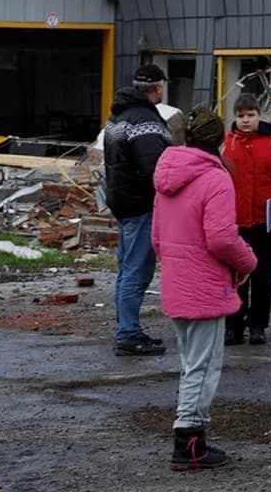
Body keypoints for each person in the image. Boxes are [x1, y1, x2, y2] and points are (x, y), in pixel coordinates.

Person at [151, 107, 258, 470]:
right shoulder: (216, 179)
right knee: (203, 366)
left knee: (189, 363)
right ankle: (190, 442)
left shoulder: (166, 176)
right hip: (206, 285)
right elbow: (222, 238)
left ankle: (189, 439)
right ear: (220, 141)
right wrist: (248, 262)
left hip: (177, 281)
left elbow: (157, 238)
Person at [104, 62, 173, 356]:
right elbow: (155, 169)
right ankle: (128, 332)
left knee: (125, 268)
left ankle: (126, 327)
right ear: (157, 89)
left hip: (121, 201)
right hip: (141, 204)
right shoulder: (146, 121)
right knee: (137, 269)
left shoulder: (116, 117)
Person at [220, 94, 271, 346]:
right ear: (235, 117)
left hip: (267, 224)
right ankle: (233, 326)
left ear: (259, 116)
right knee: (235, 278)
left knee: (263, 277)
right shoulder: (225, 146)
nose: (245, 120)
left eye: (250, 115)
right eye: (241, 116)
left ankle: (258, 326)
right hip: (235, 224)